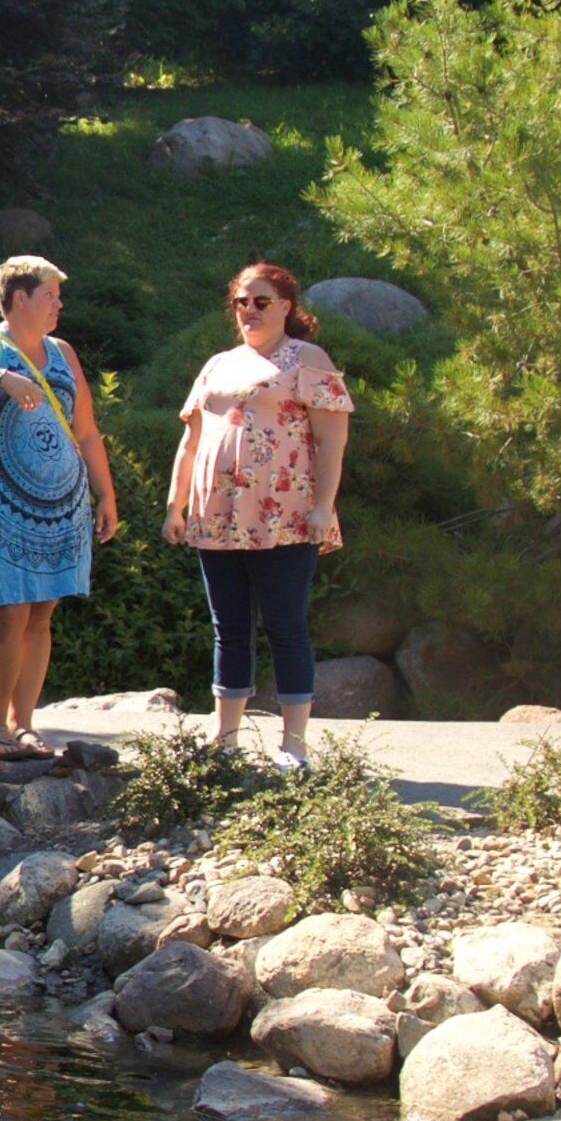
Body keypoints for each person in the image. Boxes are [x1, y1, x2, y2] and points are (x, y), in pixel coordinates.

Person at [0, 256, 120, 761]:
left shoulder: (63, 352)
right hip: (1, 503)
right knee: (8, 612)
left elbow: (86, 430)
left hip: (60, 505)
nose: (59, 303)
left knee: (42, 613)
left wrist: (107, 494)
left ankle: (24, 724)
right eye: (50, 294)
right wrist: (1, 378)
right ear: (19, 298)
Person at [164, 262, 352, 771]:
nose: (249, 310)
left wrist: (322, 505)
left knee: (286, 625)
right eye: (242, 302)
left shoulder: (306, 359)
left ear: (286, 307)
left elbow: (332, 439)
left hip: (285, 514)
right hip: (217, 515)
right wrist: (174, 504)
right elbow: (192, 437)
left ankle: (294, 745)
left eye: (261, 301)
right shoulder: (219, 364)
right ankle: (225, 741)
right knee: (229, 626)